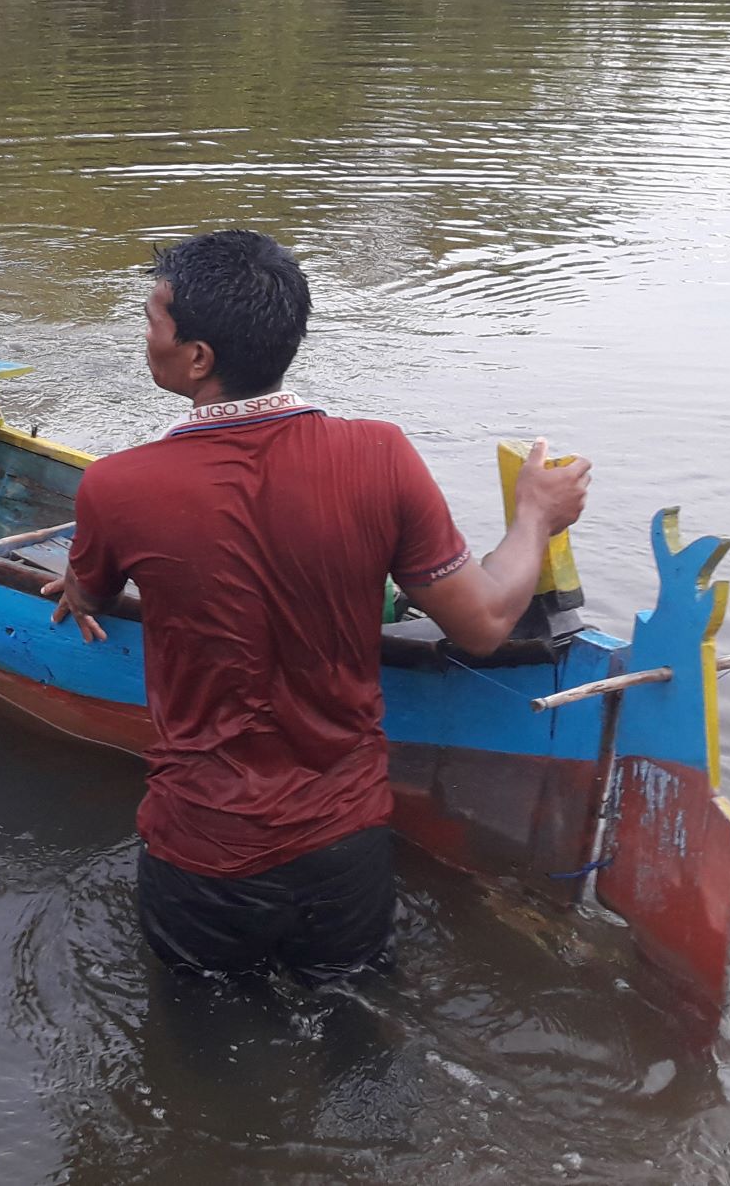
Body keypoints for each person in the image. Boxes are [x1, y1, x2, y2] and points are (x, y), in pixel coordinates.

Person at [44, 229, 591, 984]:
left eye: (150, 322)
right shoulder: (380, 454)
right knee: (355, 1033)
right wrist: (533, 516)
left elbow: (93, 592)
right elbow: (484, 622)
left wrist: (73, 589)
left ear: (198, 358)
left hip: (203, 849)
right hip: (346, 845)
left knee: (199, 1045)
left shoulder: (118, 486)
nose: (144, 338)